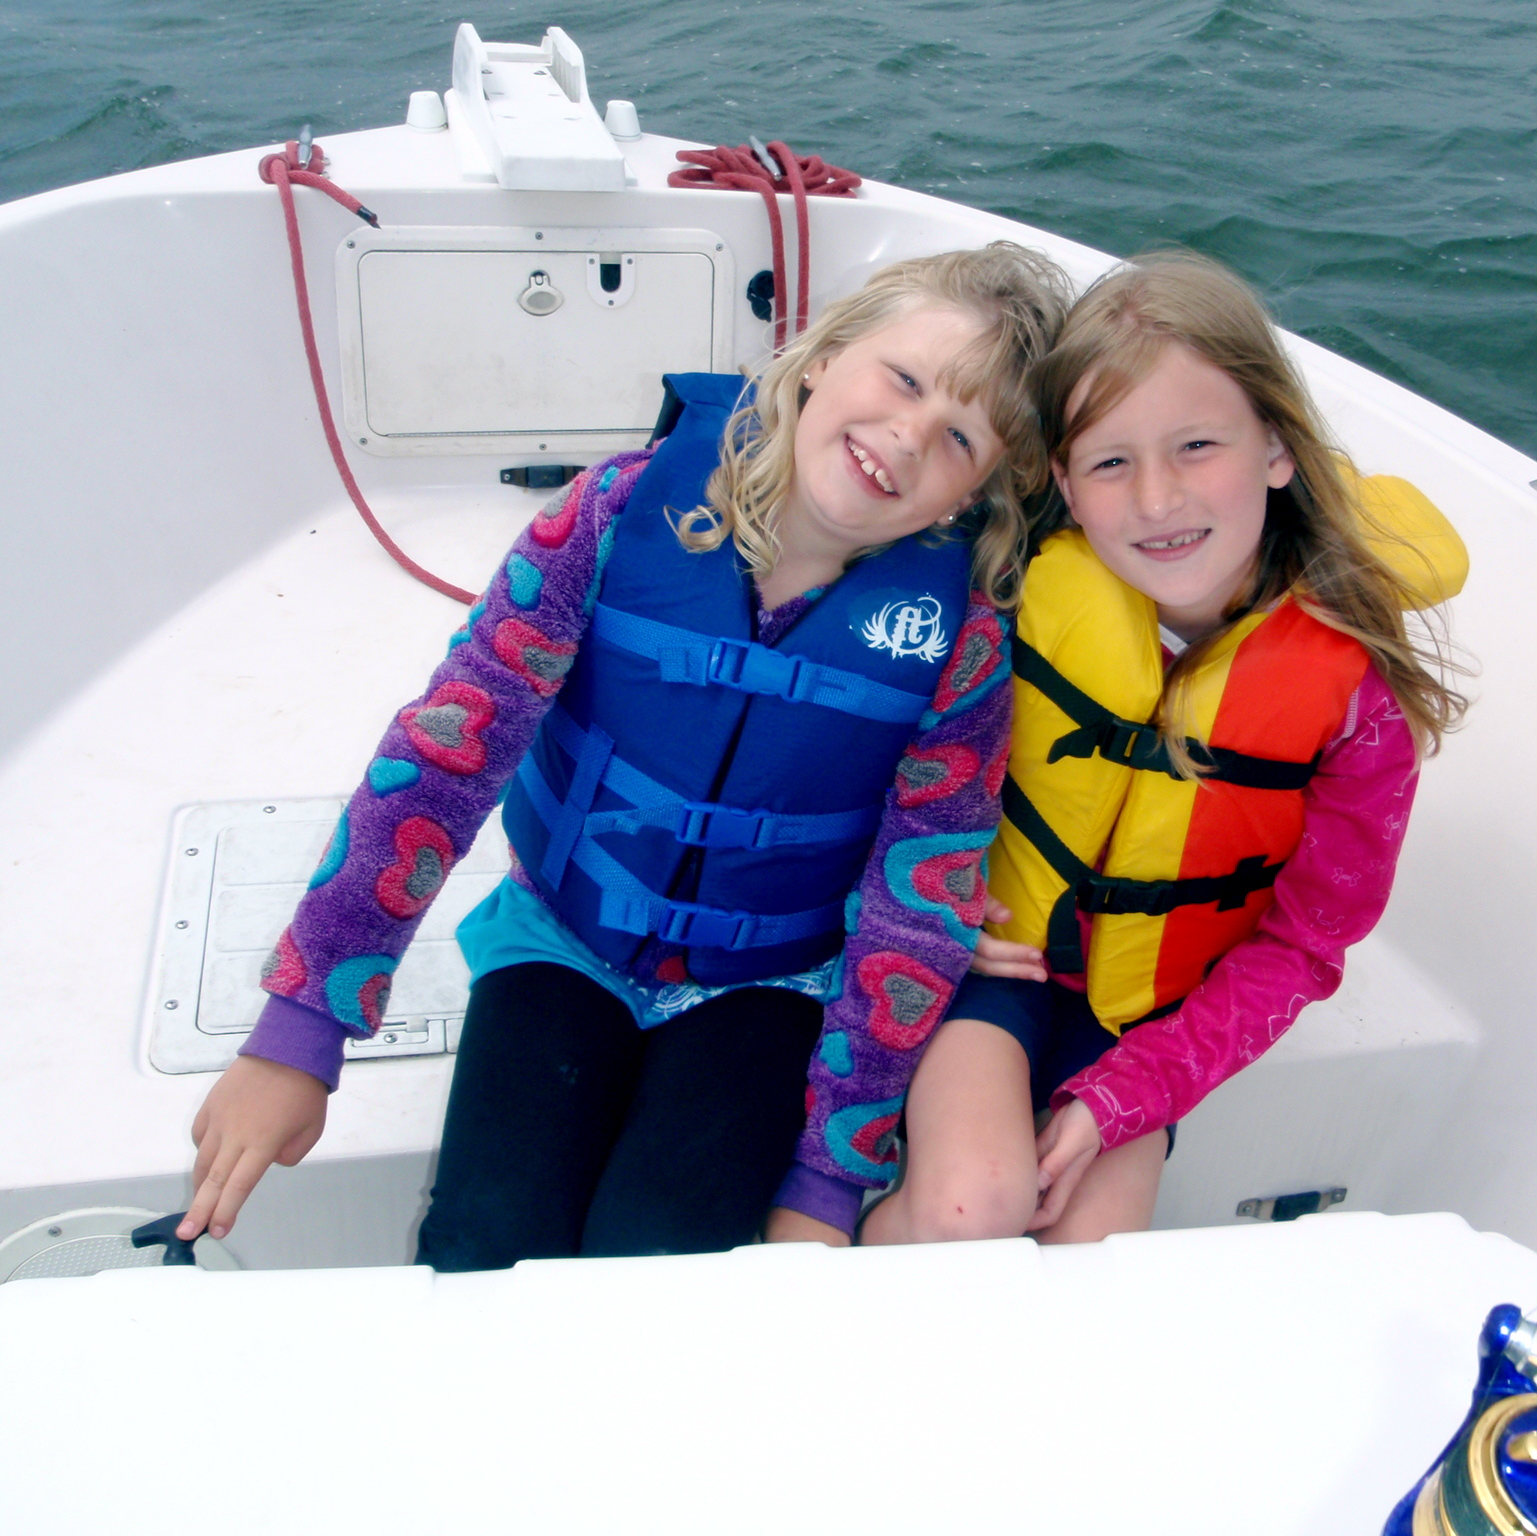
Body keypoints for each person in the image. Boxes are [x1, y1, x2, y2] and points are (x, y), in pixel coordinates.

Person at [175, 243, 1070, 1264]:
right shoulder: (612, 513)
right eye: (902, 379)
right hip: (559, 939)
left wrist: (828, 1180)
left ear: (973, 492)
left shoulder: (959, 646)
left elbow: (916, 906)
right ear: (823, 356)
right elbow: (444, 754)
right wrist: (303, 1028)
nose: (907, 435)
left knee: (658, 1259)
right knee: (484, 1244)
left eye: (958, 437)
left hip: (776, 986)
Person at [861, 250, 1468, 1246]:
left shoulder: (1356, 700)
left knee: (1092, 1254)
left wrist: (1122, 1098)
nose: (1156, 500)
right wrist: (923, 913)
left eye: (1196, 446)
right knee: (971, 1206)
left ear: (1277, 448)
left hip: (1152, 1020)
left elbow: (1304, 945)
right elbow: (876, 763)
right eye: (1111, 462)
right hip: (984, 959)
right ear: (1063, 482)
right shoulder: (1010, 587)